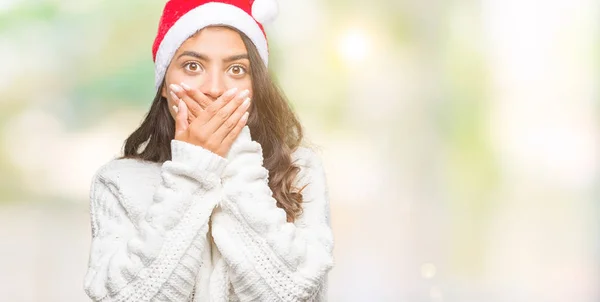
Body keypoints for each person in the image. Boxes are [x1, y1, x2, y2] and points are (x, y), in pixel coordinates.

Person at [82, 0, 334, 301]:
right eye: (192, 66)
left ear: (256, 85)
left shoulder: (301, 172)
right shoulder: (118, 182)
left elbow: (294, 293)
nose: (214, 88)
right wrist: (193, 170)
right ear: (165, 83)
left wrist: (234, 155)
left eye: (237, 69)